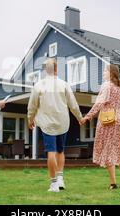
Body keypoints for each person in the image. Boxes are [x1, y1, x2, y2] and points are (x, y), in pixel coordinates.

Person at [27, 58, 83, 192]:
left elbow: (32, 106)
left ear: (46, 70)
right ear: (56, 69)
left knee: (51, 152)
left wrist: (30, 119)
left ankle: (54, 184)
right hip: (62, 123)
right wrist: (80, 118)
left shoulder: (38, 86)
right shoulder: (64, 84)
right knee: (60, 151)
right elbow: (73, 105)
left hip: (47, 125)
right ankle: (60, 179)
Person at [80, 64, 120, 190]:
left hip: (109, 120)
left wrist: (87, 117)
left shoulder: (106, 86)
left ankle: (113, 183)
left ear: (111, 73)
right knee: (118, 150)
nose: (103, 73)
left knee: (108, 151)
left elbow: (99, 104)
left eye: (105, 71)